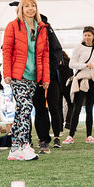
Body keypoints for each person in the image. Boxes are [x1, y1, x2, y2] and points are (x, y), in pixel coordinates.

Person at [2, 0, 49, 161]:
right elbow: (7, 51)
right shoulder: (12, 26)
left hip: (33, 77)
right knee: (26, 107)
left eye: (33, 5)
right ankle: (24, 145)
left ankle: (15, 148)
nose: (30, 9)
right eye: (27, 6)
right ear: (20, 9)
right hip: (17, 76)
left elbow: (45, 55)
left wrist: (45, 78)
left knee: (21, 111)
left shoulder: (41, 28)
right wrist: (7, 73)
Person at [65, 26, 94, 144]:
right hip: (81, 79)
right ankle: (70, 136)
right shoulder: (79, 47)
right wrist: (85, 65)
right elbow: (71, 64)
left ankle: (89, 136)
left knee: (90, 108)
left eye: (89, 35)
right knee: (77, 108)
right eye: (85, 35)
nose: (87, 37)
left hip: (93, 79)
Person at [32, 13, 65, 152]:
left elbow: (57, 51)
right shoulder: (20, 28)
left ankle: (56, 136)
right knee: (39, 108)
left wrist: (48, 71)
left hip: (50, 77)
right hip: (34, 77)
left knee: (54, 108)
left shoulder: (46, 29)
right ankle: (43, 139)